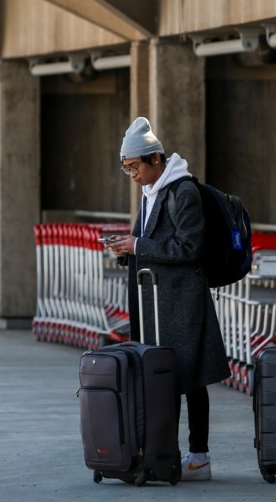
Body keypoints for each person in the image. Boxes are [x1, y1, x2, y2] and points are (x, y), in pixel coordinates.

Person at [106, 117, 230, 482]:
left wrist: (139, 245)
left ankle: (199, 456)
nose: (131, 175)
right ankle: (165, 451)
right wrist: (126, 250)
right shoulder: (151, 192)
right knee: (165, 378)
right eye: (126, 169)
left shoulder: (182, 192)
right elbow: (146, 242)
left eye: (134, 167)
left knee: (191, 380)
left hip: (182, 301)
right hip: (158, 301)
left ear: (155, 159)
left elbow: (190, 248)